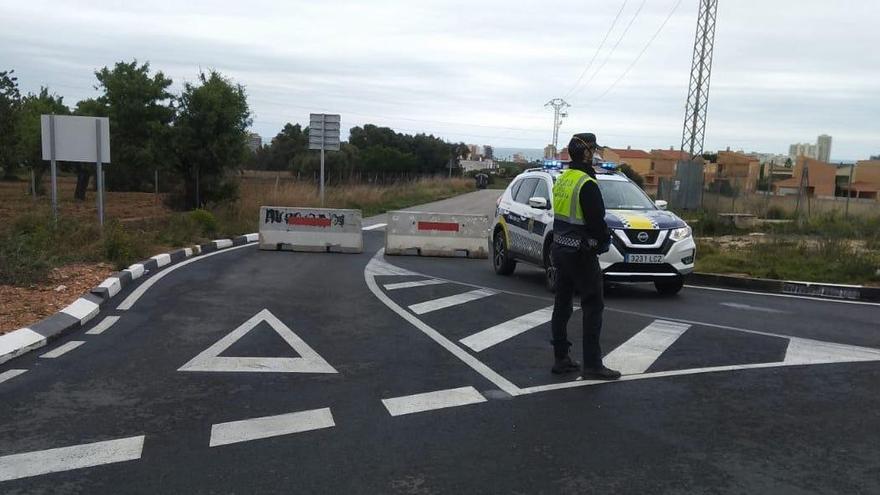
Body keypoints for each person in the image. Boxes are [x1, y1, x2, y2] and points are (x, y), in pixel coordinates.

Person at [549, 132, 621, 381]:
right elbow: (596, 221)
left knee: (562, 303)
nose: (596, 154)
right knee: (593, 305)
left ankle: (561, 358)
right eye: (594, 150)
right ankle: (592, 364)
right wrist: (603, 240)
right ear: (587, 153)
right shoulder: (587, 183)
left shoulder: (563, 178)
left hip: (560, 249)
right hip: (580, 252)